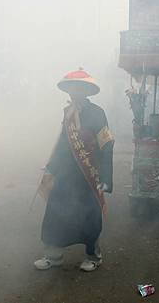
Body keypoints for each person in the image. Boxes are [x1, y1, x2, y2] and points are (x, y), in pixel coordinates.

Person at [34, 69, 114, 272]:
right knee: (55, 210)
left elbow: (106, 144)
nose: (74, 91)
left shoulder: (97, 113)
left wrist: (105, 176)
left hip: (87, 173)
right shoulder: (68, 113)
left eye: (79, 87)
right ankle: (53, 255)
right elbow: (63, 144)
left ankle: (93, 256)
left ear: (87, 90)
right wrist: (52, 166)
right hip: (66, 174)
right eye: (71, 88)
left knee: (89, 214)